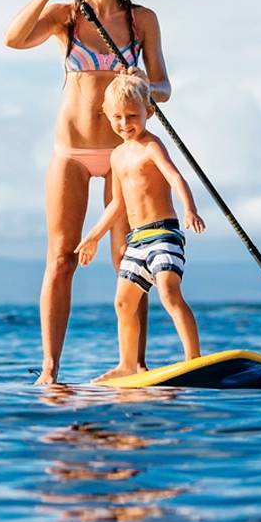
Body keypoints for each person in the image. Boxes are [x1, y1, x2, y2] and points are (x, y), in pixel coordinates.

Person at [4, 0, 170, 385]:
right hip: (73, 152)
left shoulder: (142, 21)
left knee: (129, 258)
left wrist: (143, 84)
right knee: (61, 258)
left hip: (125, 154)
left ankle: (133, 365)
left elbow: (165, 88)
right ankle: (51, 371)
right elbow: (13, 40)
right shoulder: (66, 15)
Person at [75, 70, 204, 378]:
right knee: (123, 302)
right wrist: (92, 236)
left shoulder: (152, 146)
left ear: (150, 111)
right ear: (106, 115)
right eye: (117, 117)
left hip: (163, 234)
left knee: (169, 291)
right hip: (136, 241)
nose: (124, 124)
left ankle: (193, 359)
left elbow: (175, 177)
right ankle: (127, 364)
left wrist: (190, 209)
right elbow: (117, 205)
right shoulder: (117, 156)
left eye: (132, 115)